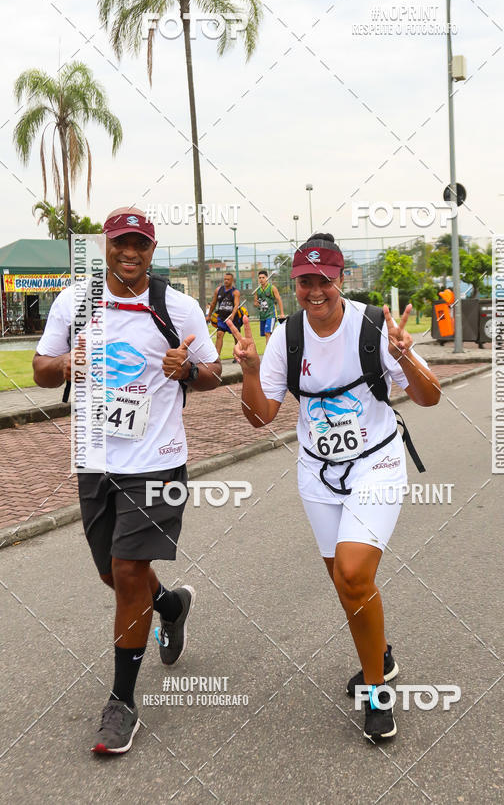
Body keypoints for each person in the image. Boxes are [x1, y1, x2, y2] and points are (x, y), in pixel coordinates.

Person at [227, 232, 440, 742]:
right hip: (318, 474)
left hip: (376, 464)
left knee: (352, 571)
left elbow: (429, 398)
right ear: (294, 283)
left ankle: (376, 692)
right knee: (348, 587)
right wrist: (251, 371)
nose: (314, 290)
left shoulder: (372, 326)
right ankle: (381, 656)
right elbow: (261, 418)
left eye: (324, 279)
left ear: (341, 279)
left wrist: (405, 356)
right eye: (305, 281)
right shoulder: (287, 336)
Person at [33, 206, 221, 755]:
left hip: (157, 459)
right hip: (94, 457)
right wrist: (68, 365)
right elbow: (43, 369)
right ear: (107, 246)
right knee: (113, 576)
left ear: (152, 249)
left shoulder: (177, 306)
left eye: (140, 244)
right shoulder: (76, 300)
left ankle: (121, 703)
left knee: (128, 567)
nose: (130, 253)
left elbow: (211, 372)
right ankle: (170, 606)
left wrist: (185, 368)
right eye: (120, 243)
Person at [207, 272, 241, 356]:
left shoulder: (235, 292)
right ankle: (216, 356)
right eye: (225, 279)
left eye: (228, 279)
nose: (226, 281)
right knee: (219, 334)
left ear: (232, 280)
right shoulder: (218, 290)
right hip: (221, 318)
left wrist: (232, 315)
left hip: (233, 318)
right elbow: (213, 303)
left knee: (236, 336)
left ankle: (237, 354)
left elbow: (236, 304)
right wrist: (209, 315)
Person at [253, 270, 285, 344]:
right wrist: (256, 303)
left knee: (268, 333)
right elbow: (255, 303)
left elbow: (279, 300)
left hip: (271, 314)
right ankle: (275, 346)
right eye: (260, 278)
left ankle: (268, 353)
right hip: (262, 315)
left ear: (267, 278)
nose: (261, 279)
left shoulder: (272, 288)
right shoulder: (257, 290)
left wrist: (282, 313)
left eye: (263, 277)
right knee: (266, 334)